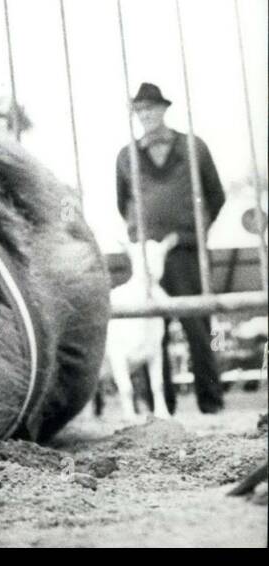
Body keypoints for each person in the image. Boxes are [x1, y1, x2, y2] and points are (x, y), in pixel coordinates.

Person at [115, 82, 226, 413]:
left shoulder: (194, 147)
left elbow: (215, 196)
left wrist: (192, 233)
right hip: (146, 257)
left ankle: (211, 404)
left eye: (151, 107)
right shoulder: (126, 155)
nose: (146, 114)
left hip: (185, 253)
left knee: (197, 326)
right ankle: (159, 410)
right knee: (150, 328)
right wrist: (141, 239)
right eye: (140, 109)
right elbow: (124, 203)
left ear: (165, 109)